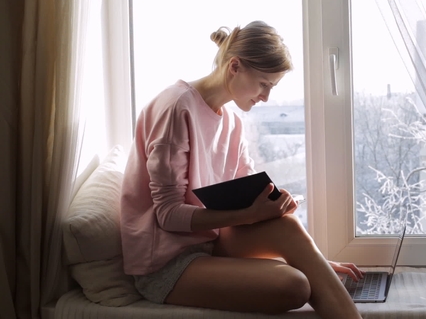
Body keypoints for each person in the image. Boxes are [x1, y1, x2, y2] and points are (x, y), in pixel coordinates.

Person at [120, 21, 365, 318]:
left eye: (271, 87)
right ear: (234, 66)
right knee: (296, 286)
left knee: (288, 230)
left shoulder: (233, 124)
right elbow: (168, 214)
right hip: (165, 262)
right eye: (264, 84)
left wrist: (313, 261)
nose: (266, 97)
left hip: (210, 244)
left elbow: (247, 198)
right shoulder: (176, 108)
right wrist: (250, 215)